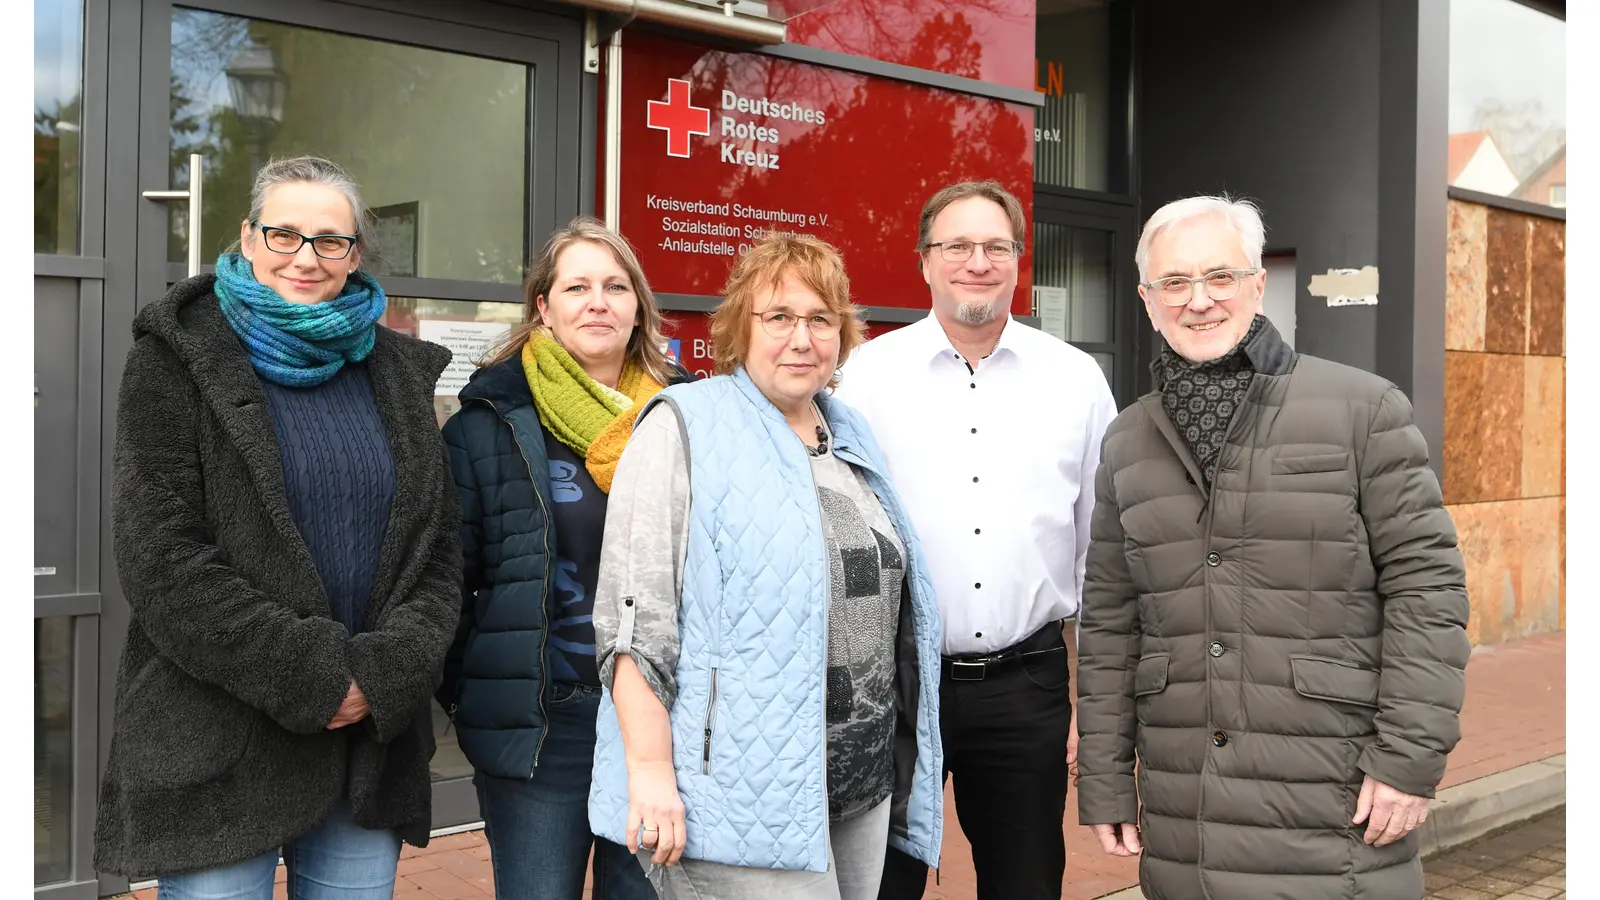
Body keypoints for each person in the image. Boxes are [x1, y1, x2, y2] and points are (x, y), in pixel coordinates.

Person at [1074, 195, 1470, 900]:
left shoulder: (1364, 410)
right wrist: (1103, 776)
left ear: (1258, 283)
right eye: (1175, 283)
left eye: (1220, 276)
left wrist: (1409, 759)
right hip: (1185, 809)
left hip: (1331, 797)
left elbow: (1427, 591)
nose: (1199, 301)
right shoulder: (1127, 439)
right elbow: (1110, 618)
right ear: (1146, 299)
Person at [93, 156, 463, 899]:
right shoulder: (176, 359)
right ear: (247, 237)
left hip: (365, 749)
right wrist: (316, 677)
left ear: (354, 255)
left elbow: (439, 553)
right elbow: (160, 556)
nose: (305, 257)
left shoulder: (397, 373)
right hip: (219, 737)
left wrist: (378, 677)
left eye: (330, 241)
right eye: (284, 233)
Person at [586, 232, 946, 900]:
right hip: (741, 793)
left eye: (820, 319)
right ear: (737, 330)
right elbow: (634, 618)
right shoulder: (683, 424)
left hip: (857, 785)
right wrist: (649, 771)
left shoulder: (849, 432)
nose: (801, 338)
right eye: (778, 317)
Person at [833, 180, 1117, 900]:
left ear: (1019, 260)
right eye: (957, 245)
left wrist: (1092, 699)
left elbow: (1100, 554)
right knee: (878, 885)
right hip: (895, 685)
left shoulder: (1075, 380)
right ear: (925, 261)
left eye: (996, 246)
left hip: (1027, 688)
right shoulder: (864, 378)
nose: (977, 262)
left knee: (1025, 883)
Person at [438, 218, 684, 899]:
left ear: (639, 307)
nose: (597, 301)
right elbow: (447, 584)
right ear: (543, 307)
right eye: (576, 286)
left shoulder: (690, 419)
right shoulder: (488, 424)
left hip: (663, 722)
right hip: (547, 725)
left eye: (615, 286)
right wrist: (475, 695)